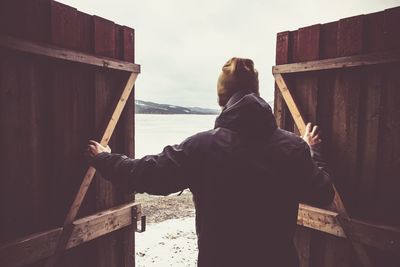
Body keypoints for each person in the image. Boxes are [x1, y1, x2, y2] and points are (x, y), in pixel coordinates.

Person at [87, 57, 334, 267]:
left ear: (222, 98)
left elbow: (144, 174)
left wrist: (104, 158)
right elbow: (323, 193)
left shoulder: (203, 147)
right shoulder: (294, 147)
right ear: (257, 93)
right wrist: (310, 151)